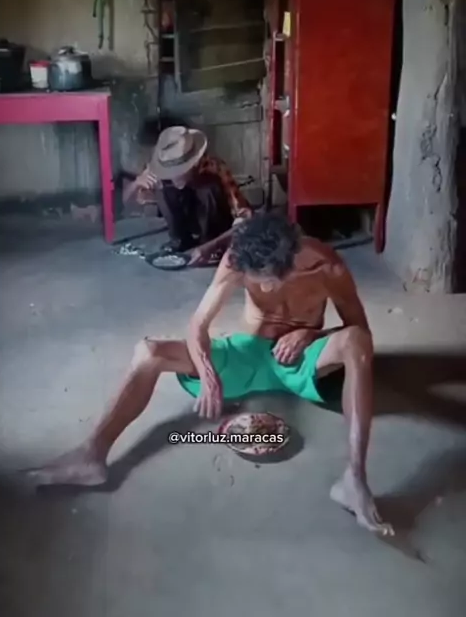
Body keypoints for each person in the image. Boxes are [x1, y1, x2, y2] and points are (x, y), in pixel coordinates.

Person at [28, 212, 392, 537]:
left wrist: (309, 335)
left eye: (266, 280)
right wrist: (208, 374)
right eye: (252, 279)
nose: (261, 287)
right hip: (247, 354)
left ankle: (354, 479)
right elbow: (198, 324)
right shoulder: (239, 258)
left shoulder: (328, 267)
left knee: (356, 343)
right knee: (149, 352)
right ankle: (93, 454)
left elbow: (360, 329)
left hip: (299, 360)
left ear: (288, 262)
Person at [124, 125, 251, 263]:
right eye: (170, 171)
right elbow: (126, 204)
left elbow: (246, 220)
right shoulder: (157, 169)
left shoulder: (215, 167)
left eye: (179, 170)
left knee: (209, 187)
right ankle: (179, 240)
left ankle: (210, 241)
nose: (174, 175)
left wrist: (213, 245)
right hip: (188, 222)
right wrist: (136, 184)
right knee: (162, 189)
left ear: (193, 163)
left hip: (216, 227)